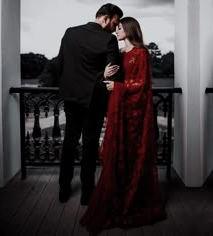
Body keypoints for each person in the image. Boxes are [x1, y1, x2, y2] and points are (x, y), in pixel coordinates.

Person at [80, 17, 167, 234]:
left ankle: (134, 195)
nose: (116, 31)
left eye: (119, 28)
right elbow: (111, 76)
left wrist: (117, 87)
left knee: (132, 153)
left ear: (128, 30)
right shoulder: (121, 54)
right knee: (118, 154)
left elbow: (142, 84)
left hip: (135, 114)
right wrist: (107, 75)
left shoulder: (141, 53)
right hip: (120, 111)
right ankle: (120, 192)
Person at [55, 3, 123, 205]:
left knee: (69, 143)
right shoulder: (109, 40)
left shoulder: (70, 33)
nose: (114, 27)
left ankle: (63, 189)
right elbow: (115, 73)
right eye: (115, 22)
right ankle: (87, 193)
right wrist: (99, 75)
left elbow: (60, 64)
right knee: (90, 145)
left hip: (71, 98)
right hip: (94, 100)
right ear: (106, 18)